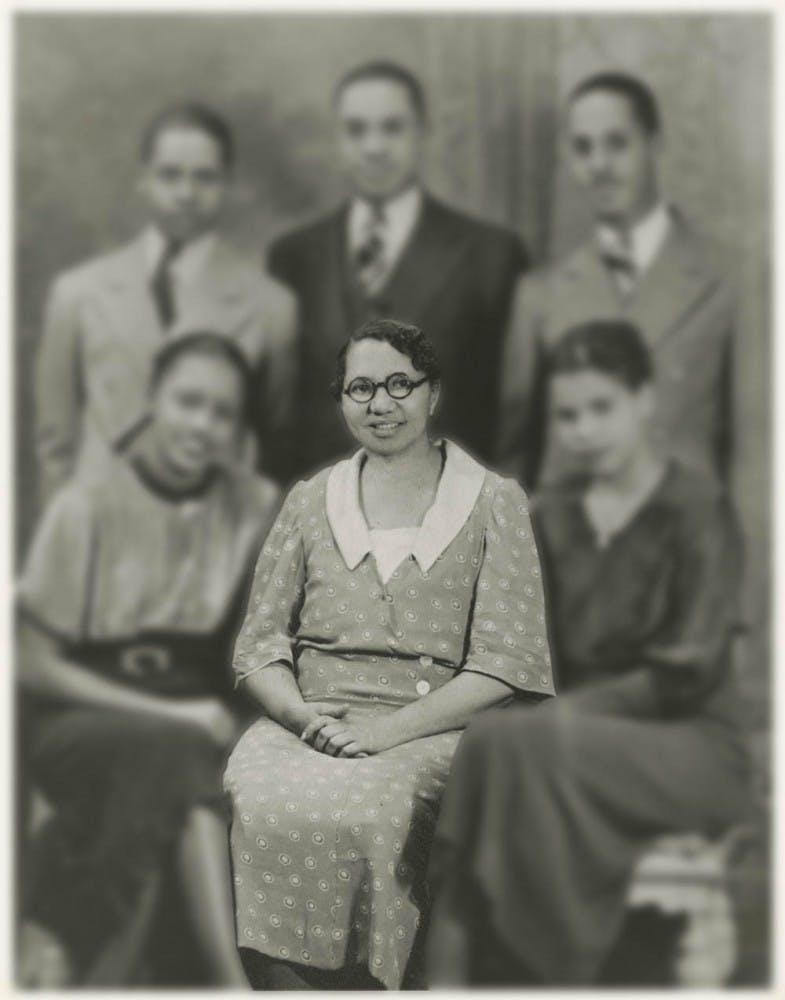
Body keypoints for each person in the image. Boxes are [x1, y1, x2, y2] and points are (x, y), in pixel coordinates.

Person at [224, 318, 554, 990]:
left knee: (373, 807)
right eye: (361, 388)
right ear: (341, 400)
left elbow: (506, 661)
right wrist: (303, 721)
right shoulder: (311, 500)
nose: (380, 404)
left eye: (399, 384)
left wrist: (382, 735)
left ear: (432, 393)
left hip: (426, 728)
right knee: (258, 797)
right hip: (308, 721)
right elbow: (259, 646)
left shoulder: (493, 502)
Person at [427, 320, 751, 987]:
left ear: (644, 400)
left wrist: (553, 718)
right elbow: (520, 650)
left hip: (685, 740)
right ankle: (458, 975)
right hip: (563, 737)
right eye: (567, 415)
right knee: (479, 742)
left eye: (601, 408)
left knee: (514, 745)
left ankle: (536, 969)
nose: (583, 430)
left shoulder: (697, 507)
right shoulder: (550, 513)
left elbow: (685, 670)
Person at [17, 332, 281, 987]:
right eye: (187, 401)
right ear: (150, 401)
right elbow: (27, 663)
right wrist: (174, 711)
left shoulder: (253, 504)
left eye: (222, 413)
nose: (202, 425)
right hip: (81, 709)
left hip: (193, 710)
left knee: (208, 766)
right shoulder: (86, 507)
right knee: (175, 750)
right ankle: (230, 978)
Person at [268, 61, 528, 478]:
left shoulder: (492, 255)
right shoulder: (293, 257)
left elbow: (513, 415)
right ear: (337, 140)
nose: (374, 146)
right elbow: (277, 416)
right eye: (356, 130)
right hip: (323, 521)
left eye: (393, 128)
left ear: (424, 134)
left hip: (446, 517)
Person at [34, 101, 296, 504]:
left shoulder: (272, 307)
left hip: (212, 536)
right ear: (144, 180)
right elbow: (56, 443)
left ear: (227, 183)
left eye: (204, 178)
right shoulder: (78, 293)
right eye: (170, 175)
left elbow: (272, 435)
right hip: (103, 530)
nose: (186, 193)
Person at [498, 72, 735, 489]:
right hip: (571, 544)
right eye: (583, 148)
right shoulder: (539, 294)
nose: (599, 165)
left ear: (654, 144)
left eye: (617, 143)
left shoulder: (729, 280)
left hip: (686, 542)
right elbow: (515, 456)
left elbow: (762, 461)